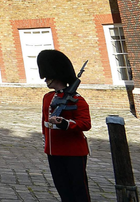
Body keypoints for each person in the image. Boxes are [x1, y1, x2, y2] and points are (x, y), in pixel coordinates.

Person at [38, 49, 91, 202]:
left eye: (48, 77)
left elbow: (85, 123)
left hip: (73, 151)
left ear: (56, 77)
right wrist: (46, 145)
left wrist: (66, 124)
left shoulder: (76, 99)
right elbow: (45, 124)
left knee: (79, 189)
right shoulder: (48, 98)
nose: (46, 80)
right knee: (62, 188)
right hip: (54, 151)